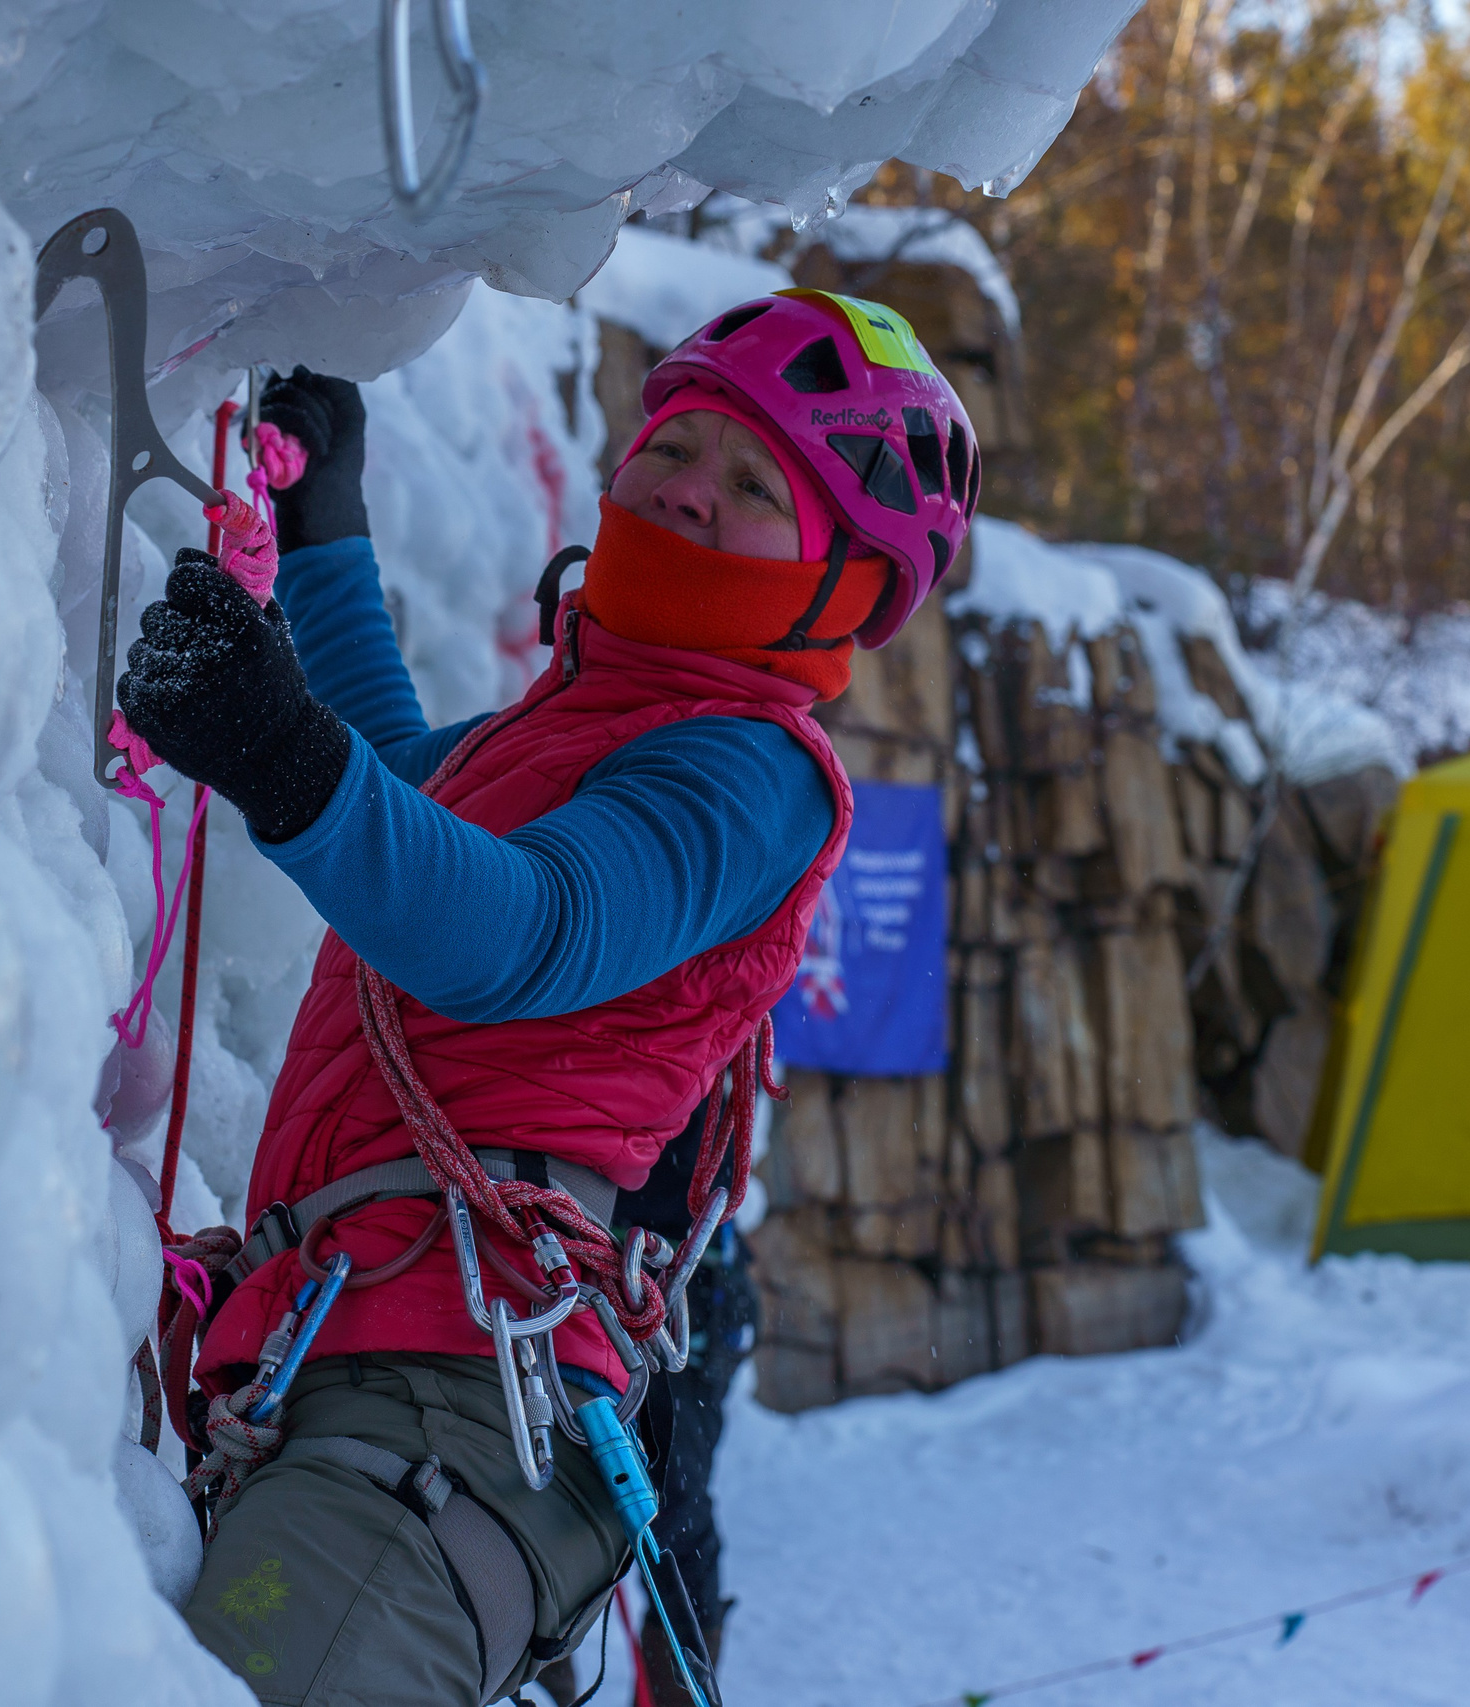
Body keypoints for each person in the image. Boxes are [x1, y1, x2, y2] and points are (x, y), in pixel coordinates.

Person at [116, 288, 977, 1707]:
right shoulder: (573, 725)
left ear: (846, 587)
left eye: (759, 485)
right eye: (684, 445)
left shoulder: (754, 774)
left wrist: (278, 752)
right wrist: (330, 526)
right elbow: (403, 786)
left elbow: (523, 933)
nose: (692, 489)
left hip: (440, 1408)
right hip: (380, 1381)